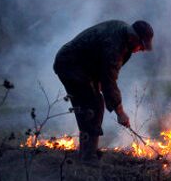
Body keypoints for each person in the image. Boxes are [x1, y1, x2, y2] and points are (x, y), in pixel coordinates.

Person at [53, 19, 154, 163]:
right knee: (92, 105)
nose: (142, 49)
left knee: (94, 103)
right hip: (70, 64)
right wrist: (120, 112)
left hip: (84, 67)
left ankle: (88, 151)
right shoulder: (115, 45)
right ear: (133, 38)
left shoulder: (125, 41)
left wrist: (102, 91)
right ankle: (88, 157)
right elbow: (109, 80)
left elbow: (103, 74)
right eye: (141, 45)